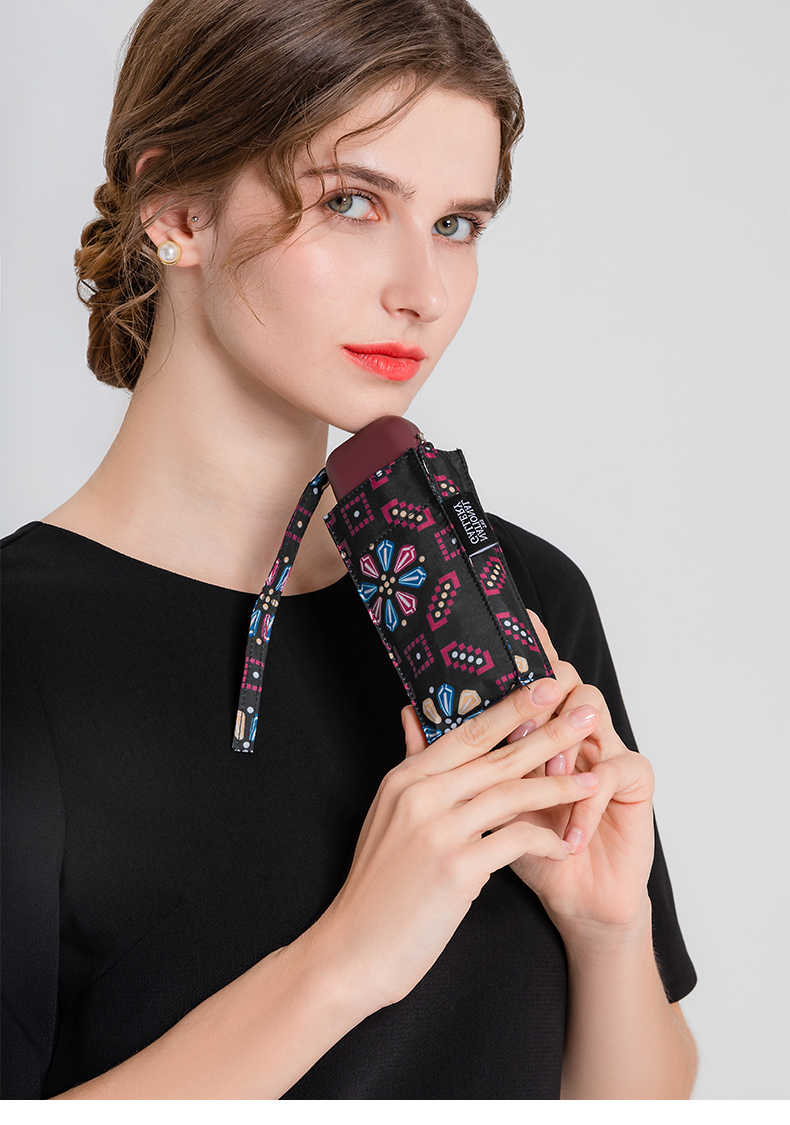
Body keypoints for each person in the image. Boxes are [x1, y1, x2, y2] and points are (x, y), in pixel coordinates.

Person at [1, 0, 698, 1100]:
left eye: (456, 223)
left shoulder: (511, 599)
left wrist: (605, 931)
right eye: (352, 201)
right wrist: (347, 960)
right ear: (176, 209)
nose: (423, 291)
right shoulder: (21, 648)